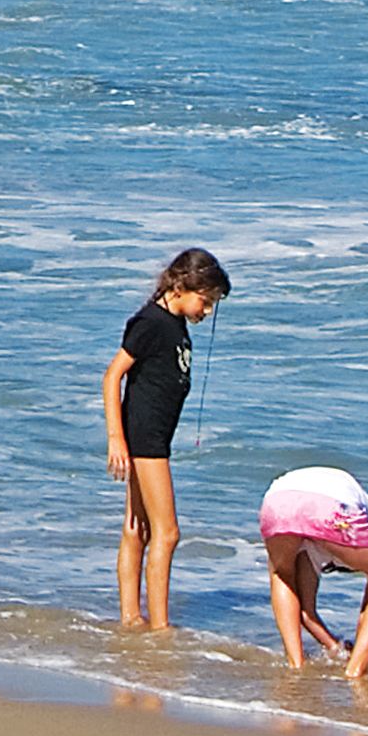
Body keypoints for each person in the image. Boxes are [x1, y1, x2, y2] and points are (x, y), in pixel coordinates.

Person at [100, 247, 232, 632]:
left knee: (138, 528)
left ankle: (131, 617)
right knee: (168, 532)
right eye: (204, 302)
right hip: (145, 439)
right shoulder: (150, 323)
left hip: (154, 437)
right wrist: (116, 440)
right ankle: (160, 627)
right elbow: (112, 377)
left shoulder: (174, 328)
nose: (205, 312)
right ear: (180, 285)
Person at [258, 465, 368, 679]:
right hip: (331, 503)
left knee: (281, 574)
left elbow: (305, 612)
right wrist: (362, 653)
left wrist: (335, 648)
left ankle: (295, 665)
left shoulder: (311, 547)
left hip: (276, 500)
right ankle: (355, 672)